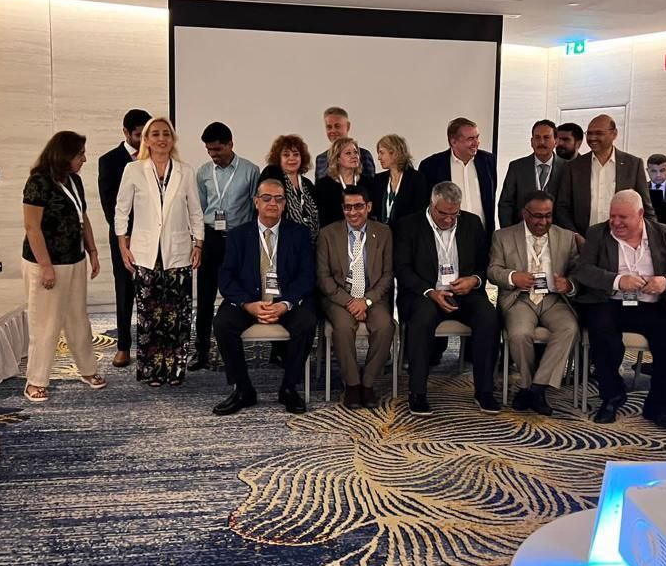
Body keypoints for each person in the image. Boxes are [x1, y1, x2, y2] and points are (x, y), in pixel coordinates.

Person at [573, 190, 666, 429]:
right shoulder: (597, 233)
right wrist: (618, 281)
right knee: (601, 332)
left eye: (622, 217)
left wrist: (665, 281)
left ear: (640, 214)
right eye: (612, 216)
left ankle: (659, 406)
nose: (615, 222)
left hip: (652, 304)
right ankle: (612, 397)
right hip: (610, 302)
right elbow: (583, 271)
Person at [212, 178, 317, 416]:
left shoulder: (299, 234)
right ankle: (243, 389)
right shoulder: (238, 235)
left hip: (285, 301)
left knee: (307, 322)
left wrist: (286, 304)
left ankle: (289, 388)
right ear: (256, 202)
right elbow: (226, 278)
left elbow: (307, 277)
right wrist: (247, 305)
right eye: (267, 198)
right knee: (222, 324)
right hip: (249, 301)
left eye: (279, 199)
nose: (273, 203)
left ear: (285, 204)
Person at [394, 182, 500, 417]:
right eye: (443, 214)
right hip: (426, 293)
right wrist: (430, 291)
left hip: (464, 292)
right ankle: (417, 392)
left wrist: (473, 280)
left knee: (488, 317)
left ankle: (484, 391)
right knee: (421, 320)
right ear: (432, 205)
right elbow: (402, 268)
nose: (449, 220)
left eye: (455, 214)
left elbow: (485, 263)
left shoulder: (472, 223)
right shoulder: (409, 225)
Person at [114, 117, 204, 387]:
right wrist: (123, 245)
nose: (161, 139)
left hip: (178, 251)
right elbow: (121, 210)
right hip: (144, 252)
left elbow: (195, 211)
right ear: (146, 139)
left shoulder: (185, 171)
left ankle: (175, 370)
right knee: (150, 316)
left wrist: (198, 243)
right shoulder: (133, 170)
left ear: (173, 139)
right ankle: (151, 370)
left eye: (166, 134)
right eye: (155, 134)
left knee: (178, 315)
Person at [22, 131, 104, 402]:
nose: (84, 159)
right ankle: (35, 381)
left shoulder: (74, 180)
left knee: (78, 318)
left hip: (74, 259)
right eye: (80, 154)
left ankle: (88, 369)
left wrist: (92, 251)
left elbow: (83, 217)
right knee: (46, 323)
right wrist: (46, 266)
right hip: (46, 263)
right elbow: (32, 228)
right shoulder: (38, 182)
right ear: (64, 155)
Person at [487, 191, 579, 416]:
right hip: (521, 298)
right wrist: (513, 277)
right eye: (538, 216)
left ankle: (535, 388)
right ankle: (528, 385)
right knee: (519, 334)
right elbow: (493, 270)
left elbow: (578, 271)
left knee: (569, 329)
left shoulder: (567, 237)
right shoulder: (503, 236)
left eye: (548, 216)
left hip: (554, 299)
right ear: (524, 214)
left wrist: (569, 284)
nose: (543, 222)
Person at [189, 122, 260, 371]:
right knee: (205, 296)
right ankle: (201, 351)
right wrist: (198, 243)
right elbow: (199, 210)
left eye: (217, 149)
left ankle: (232, 344)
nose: (213, 154)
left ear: (230, 144)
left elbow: (255, 209)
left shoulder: (251, 171)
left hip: (239, 238)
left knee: (238, 293)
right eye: (209, 150)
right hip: (211, 238)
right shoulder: (203, 173)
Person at [316, 186, 395, 409]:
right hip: (339, 297)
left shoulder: (383, 233)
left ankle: (367, 383)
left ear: (368, 207)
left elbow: (388, 275)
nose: (353, 212)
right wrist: (350, 302)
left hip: (372, 296)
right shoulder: (328, 234)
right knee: (342, 328)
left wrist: (366, 301)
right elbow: (323, 277)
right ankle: (352, 384)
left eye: (358, 206)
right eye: (347, 207)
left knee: (385, 326)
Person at [97, 108, 150, 368]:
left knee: (151, 293)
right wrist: (124, 236)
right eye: (139, 135)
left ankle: (150, 345)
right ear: (126, 133)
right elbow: (110, 204)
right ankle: (123, 346)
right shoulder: (109, 160)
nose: (144, 140)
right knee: (125, 291)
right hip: (124, 237)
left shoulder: (155, 158)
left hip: (153, 236)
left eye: (146, 134)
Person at [555, 114, 656, 241]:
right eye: (589, 133)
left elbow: (645, 208)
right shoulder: (573, 167)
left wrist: (652, 239)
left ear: (614, 134)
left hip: (623, 241)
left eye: (599, 133)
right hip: (584, 242)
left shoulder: (633, 165)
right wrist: (575, 236)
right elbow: (562, 208)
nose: (592, 138)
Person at [419, 117, 497, 240]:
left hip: (482, 235)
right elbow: (425, 204)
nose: (476, 142)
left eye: (477, 137)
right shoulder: (431, 165)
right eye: (470, 139)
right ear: (453, 141)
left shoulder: (488, 161)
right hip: (445, 237)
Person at [497, 120, 565, 228]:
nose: (541, 142)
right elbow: (506, 203)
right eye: (537, 137)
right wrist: (508, 232)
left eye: (546, 137)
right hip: (521, 231)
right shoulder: (517, 167)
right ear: (532, 141)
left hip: (556, 232)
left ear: (556, 141)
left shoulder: (567, 168)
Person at [260, 134, 320, 245]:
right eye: (286, 155)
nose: (291, 158)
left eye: (296, 154)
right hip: (280, 242)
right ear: (279, 158)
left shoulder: (307, 184)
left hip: (309, 244)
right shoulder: (272, 174)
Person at [369, 133, 430, 231]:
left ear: (394, 153)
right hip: (381, 234)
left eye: (382, 153)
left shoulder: (416, 179)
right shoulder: (378, 179)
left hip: (407, 234)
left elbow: (419, 211)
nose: (379, 157)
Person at [315, 137, 374, 228]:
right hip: (334, 233)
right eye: (348, 153)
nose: (354, 156)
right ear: (337, 158)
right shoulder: (324, 185)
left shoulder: (367, 183)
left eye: (356, 152)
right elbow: (322, 218)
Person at [314, 106, 376, 181]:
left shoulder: (363, 155)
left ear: (348, 126)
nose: (333, 131)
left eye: (337, 126)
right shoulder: (320, 159)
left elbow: (371, 185)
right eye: (329, 127)